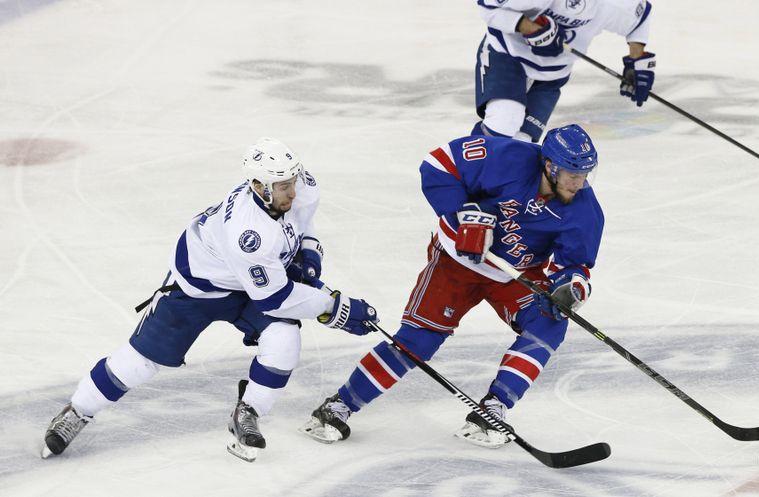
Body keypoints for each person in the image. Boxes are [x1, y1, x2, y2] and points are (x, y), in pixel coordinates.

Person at [41, 137, 379, 462]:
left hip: (247, 283)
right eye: (282, 186)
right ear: (259, 187)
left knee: (284, 340)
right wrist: (335, 308)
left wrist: (309, 257)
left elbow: (304, 224)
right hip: (196, 289)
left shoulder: (295, 187)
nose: (292, 190)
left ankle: (247, 412)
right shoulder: (249, 235)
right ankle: (78, 411)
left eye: (292, 181)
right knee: (138, 364)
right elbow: (276, 298)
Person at [300, 124, 603, 448]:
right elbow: (439, 164)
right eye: (573, 174)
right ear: (549, 165)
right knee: (418, 340)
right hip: (455, 263)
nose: (580, 183)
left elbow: (574, 264)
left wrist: (570, 287)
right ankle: (338, 406)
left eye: (585, 174)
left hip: (512, 274)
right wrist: (464, 217)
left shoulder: (584, 209)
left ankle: (493, 408)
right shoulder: (507, 158)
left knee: (550, 323)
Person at [473, 0, 656, 142]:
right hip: (508, 55)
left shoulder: (613, 4)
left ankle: (508, 190)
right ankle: (465, 180)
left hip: (553, 75)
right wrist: (531, 28)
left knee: (523, 142)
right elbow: (488, 6)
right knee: (502, 122)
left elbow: (638, 19)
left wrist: (636, 59)